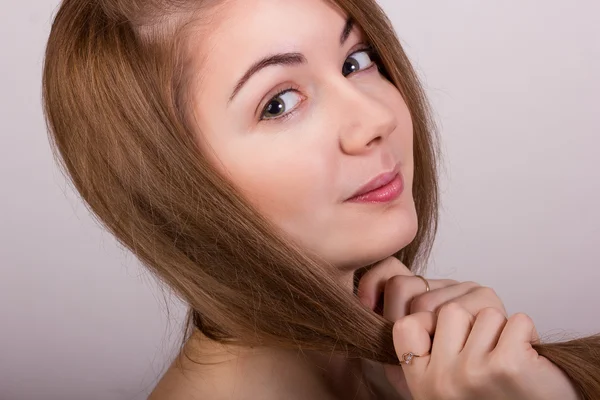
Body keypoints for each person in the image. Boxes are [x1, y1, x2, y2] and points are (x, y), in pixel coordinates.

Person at [42, 0, 600, 399]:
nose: (375, 119)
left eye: (356, 61)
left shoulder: (406, 365)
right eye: (280, 103)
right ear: (164, 183)